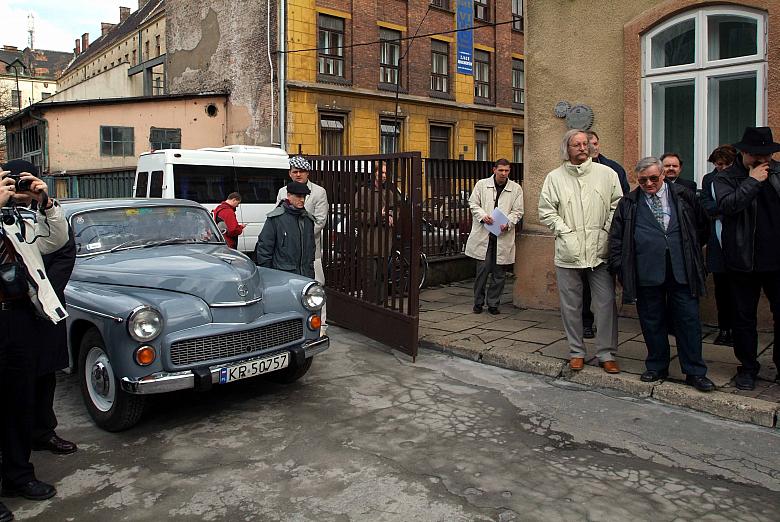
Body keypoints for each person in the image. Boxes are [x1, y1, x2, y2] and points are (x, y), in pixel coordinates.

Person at [609, 157, 715, 391]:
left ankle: (695, 371)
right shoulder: (629, 202)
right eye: (643, 180)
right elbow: (616, 238)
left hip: (681, 268)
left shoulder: (684, 196)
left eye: (653, 178)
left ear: (663, 175)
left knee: (688, 320)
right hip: (646, 271)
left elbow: (702, 226)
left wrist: (689, 249)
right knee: (652, 320)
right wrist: (621, 268)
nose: (648, 184)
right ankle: (657, 366)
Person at [0, 160, 69, 516]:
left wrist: (46, 203)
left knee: (20, 401)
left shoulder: (17, 218)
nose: (13, 186)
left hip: (20, 317)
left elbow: (56, 241)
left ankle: (18, 475)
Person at [538, 129, 622, 373]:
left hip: (600, 251)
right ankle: (576, 351)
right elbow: (546, 210)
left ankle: (606, 353)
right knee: (571, 306)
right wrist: (565, 233)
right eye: (577, 144)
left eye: (586, 144)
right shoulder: (555, 177)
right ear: (567, 148)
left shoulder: (607, 174)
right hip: (569, 252)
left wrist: (605, 232)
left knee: (606, 303)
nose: (583, 148)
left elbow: (618, 205)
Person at [714, 126, 780, 391]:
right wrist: (752, 181)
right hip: (743, 259)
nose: (763, 160)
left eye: (767, 155)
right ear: (743, 153)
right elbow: (727, 206)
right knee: (743, 318)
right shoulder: (726, 177)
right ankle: (748, 367)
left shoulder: (778, 172)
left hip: (776, 260)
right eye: (756, 155)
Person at [581, 131, 630, 338]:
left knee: (606, 284)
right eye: (588, 143)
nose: (593, 147)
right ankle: (586, 321)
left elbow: (623, 200)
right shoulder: (575, 170)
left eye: (595, 142)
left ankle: (606, 325)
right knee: (584, 284)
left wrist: (611, 227)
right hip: (583, 236)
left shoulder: (613, 169)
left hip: (610, 233)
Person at [464, 158, 524, 314]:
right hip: (484, 233)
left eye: (506, 170)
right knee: (482, 270)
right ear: (494, 170)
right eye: (501, 170)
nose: (503, 173)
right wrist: (483, 216)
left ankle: (493, 304)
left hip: (503, 234)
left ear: (509, 171)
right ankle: (478, 302)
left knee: (499, 273)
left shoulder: (516, 188)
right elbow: (473, 203)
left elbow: (518, 211)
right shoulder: (482, 185)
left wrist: (508, 223)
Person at [276, 156, 328, 321]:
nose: (298, 174)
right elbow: (278, 218)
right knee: (290, 287)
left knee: (316, 287)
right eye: (295, 171)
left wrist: (300, 236)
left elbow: (320, 221)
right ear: (290, 173)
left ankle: (320, 325)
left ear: (308, 173)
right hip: (288, 253)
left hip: (311, 252)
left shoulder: (319, 192)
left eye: (302, 171)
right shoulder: (282, 192)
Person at [700, 145, 738, 346]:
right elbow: (707, 204)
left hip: (739, 240)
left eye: (726, 164)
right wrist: (727, 207)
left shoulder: (740, 177)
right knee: (721, 289)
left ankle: (738, 329)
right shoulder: (709, 179)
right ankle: (724, 329)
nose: (722, 168)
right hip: (717, 237)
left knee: (739, 290)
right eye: (718, 164)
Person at [256, 181, 315, 278]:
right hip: (283, 275)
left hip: (306, 274)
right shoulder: (276, 219)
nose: (302, 200)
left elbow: (311, 248)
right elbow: (264, 247)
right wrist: (268, 274)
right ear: (289, 196)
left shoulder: (308, 220)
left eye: (304, 196)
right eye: (298, 196)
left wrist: (310, 270)